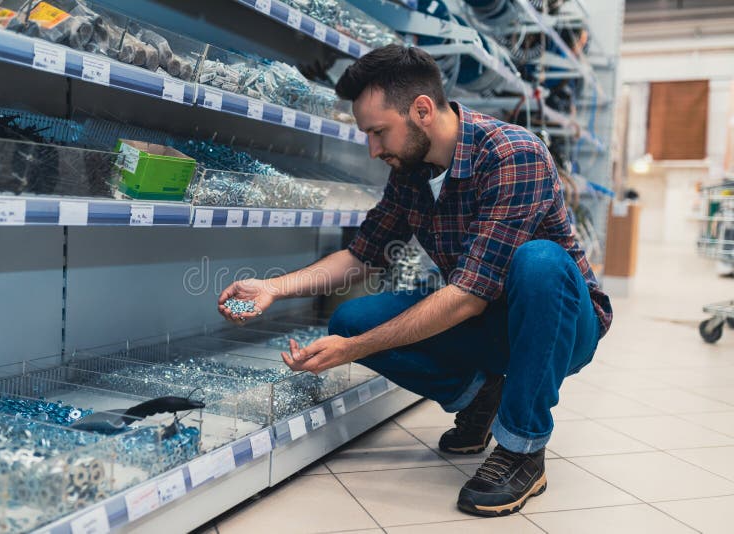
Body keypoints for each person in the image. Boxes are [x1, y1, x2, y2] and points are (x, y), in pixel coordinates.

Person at [218, 45, 612, 517]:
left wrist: (354, 350)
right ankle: (482, 396)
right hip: (488, 320)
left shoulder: (513, 154)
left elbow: (467, 297)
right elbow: (361, 256)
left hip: (560, 326)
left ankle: (522, 450)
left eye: (378, 132)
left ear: (422, 110)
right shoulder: (411, 172)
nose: (373, 149)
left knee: (539, 261)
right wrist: (273, 288)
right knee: (351, 319)